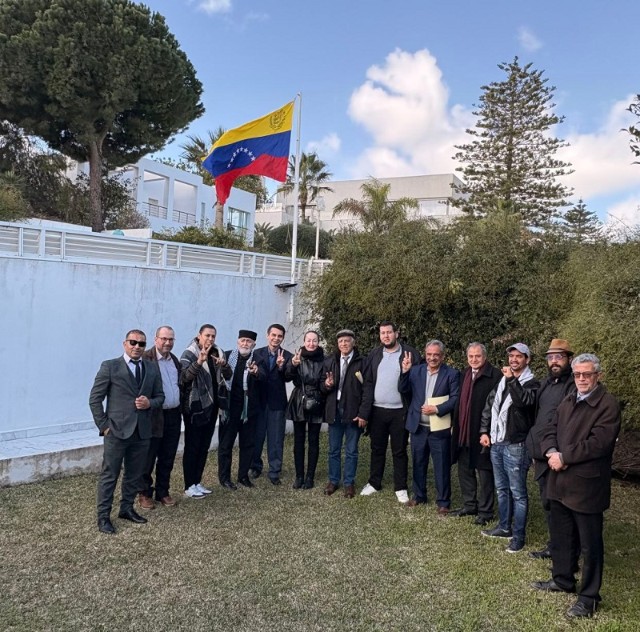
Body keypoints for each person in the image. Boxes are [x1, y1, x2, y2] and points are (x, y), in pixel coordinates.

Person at [532, 353, 621, 619]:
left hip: (586, 486)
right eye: (577, 374)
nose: (581, 379)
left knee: (589, 544)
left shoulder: (607, 405)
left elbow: (599, 444)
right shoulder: (569, 399)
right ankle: (562, 580)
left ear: (598, 376)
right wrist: (550, 451)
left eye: (587, 374)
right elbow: (549, 427)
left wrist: (564, 457)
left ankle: (589, 597)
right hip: (559, 481)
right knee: (561, 535)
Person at [89, 329, 164, 534]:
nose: (137, 347)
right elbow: (95, 399)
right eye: (133, 342)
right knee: (110, 475)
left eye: (141, 344)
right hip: (116, 431)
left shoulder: (151, 368)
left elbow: (160, 397)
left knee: (134, 474)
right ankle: (103, 516)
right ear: (125, 344)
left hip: (142, 432)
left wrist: (149, 403)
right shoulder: (110, 366)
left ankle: (126, 508)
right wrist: (104, 426)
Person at [479, 343, 539, 553]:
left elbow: (524, 402)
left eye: (519, 356)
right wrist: (484, 431)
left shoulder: (532, 383)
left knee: (518, 493)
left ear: (527, 360)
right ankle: (504, 527)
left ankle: (518, 537)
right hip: (497, 442)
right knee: (502, 489)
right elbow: (490, 405)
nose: (514, 360)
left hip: (517, 445)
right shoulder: (503, 381)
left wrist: (513, 380)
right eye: (511, 356)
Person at [359, 321, 420, 503]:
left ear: (396, 334)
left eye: (389, 332)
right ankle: (374, 482)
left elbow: (417, 382)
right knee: (377, 448)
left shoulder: (410, 353)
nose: (386, 336)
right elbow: (368, 383)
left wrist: (407, 371)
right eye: (382, 333)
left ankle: (400, 487)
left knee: (399, 450)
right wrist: (365, 411)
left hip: (400, 411)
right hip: (377, 410)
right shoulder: (375, 354)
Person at [526, 339, 576, 559]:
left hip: (559, 455)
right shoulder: (546, 383)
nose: (554, 361)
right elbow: (537, 416)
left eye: (559, 357)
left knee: (561, 505)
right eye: (550, 357)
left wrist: (558, 453)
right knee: (547, 501)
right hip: (542, 452)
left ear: (569, 359)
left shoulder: (573, 385)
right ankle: (554, 545)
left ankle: (567, 549)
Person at [399, 340, 460, 514]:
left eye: (436, 355)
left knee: (441, 465)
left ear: (442, 356)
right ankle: (419, 496)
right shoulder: (415, 370)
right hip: (418, 427)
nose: (432, 358)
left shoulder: (452, 374)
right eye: (429, 354)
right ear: (425, 354)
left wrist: (437, 409)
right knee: (418, 462)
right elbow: (403, 389)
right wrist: (405, 372)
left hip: (439, 429)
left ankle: (443, 502)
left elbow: (455, 398)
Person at [450, 342, 502, 525]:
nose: (474, 359)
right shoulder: (464, 374)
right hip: (463, 431)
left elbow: (496, 406)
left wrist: (486, 431)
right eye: (471, 356)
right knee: (465, 469)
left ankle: (486, 511)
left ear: (485, 357)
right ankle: (469, 505)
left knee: (485, 472)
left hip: (482, 433)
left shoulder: (495, 375)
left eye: (477, 356)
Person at [180, 324, 231, 498]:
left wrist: (224, 366)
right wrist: (199, 362)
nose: (210, 339)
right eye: (207, 335)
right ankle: (188, 485)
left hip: (212, 407)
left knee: (204, 447)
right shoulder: (189, 354)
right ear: (199, 335)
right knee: (193, 447)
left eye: (213, 336)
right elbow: (184, 378)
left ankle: (197, 482)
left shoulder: (218, 353)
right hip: (195, 407)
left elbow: (228, 376)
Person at [138, 325, 182, 509]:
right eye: (164, 338)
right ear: (156, 339)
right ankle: (144, 493)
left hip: (173, 415)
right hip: (153, 416)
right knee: (148, 457)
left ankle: (163, 491)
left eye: (171, 339)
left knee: (167, 456)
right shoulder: (145, 358)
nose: (167, 342)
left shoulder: (174, 360)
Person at [320, 329, 367, 499]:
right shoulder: (330, 361)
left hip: (353, 411)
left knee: (351, 450)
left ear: (353, 342)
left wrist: (363, 413)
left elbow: (367, 389)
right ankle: (333, 480)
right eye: (340, 341)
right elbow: (321, 386)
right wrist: (326, 385)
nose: (344, 344)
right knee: (333, 449)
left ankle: (349, 483)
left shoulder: (362, 362)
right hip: (335, 409)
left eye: (347, 341)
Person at [249, 324, 293, 485]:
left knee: (276, 439)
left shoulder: (287, 355)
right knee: (257, 437)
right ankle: (255, 466)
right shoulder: (256, 353)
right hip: (259, 402)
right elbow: (254, 374)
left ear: (283, 338)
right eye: (273, 335)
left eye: (279, 336)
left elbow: (288, 377)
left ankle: (274, 471)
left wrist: (281, 367)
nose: (276, 338)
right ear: (267, 335)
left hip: (277, 403)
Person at [218, 330, 260, 489]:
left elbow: (263, 378)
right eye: (243, 340)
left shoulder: (258, 359)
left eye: (249, 341)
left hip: (249, 410)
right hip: (230, 408)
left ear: (253, 344)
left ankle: (243, 476)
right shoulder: (227, 356)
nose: (245, 344)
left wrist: (256, 373)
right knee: (226, 445)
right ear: (237, 342)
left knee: (247, 444)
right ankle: (224, 478)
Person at [285, 330, 325, 489]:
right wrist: (293, 365)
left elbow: (324, 382)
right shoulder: (297, 357)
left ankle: (310, 477)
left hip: (316, 399)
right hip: (299, 400)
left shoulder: (324, 359)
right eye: (308, 340)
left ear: (318, 342)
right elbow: (286, 376)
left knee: (314, 440)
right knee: (299, 440)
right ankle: (299, 476)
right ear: (304, 341)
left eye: (314, 340)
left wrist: (326, 385)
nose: (311, 343)